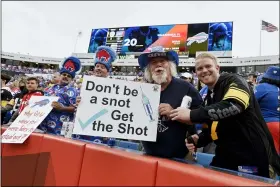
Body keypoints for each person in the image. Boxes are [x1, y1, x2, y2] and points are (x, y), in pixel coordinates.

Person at [169, 53, 280, 178]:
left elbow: (234, 105)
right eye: (199, 68)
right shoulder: (210, 96)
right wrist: (199, 139)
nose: (204, 70)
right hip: (226, 156)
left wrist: (191, 115)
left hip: (252, 157)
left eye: (208, 66)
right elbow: (217, 128)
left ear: (217, 68)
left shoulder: (234, 80)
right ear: (196, 73)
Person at [138, 46, 203, 159]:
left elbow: (201, 118)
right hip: (149, 154)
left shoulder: (186, 87)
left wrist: (174, 113)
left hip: (180, 157)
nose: (158, 65)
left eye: (162, 61)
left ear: (170, 65)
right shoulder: (143, 90)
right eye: (153, 62)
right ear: (149, 69)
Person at [73, 46, 117, 143]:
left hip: (102, 129)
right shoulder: (85, 85)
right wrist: (78, 103)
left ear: (108, 71)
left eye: (102, 67)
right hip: (83, 128)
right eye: (97, 66)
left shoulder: (115, 87)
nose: (99, 69)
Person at [38, 56, 81, 134]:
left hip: (59, 128)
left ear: (72, 79)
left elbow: (75, 108)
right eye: (64, 74)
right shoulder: (50, 88)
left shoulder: (74, 91)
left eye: (69, 76)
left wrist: (62, 108)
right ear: (60, 75)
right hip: (43, 125)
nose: (66, 77)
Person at [254, 66, 280, 154]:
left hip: (268, 125)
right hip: (277, 123)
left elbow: (249, 103)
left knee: (268, 158)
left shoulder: (263, 87)